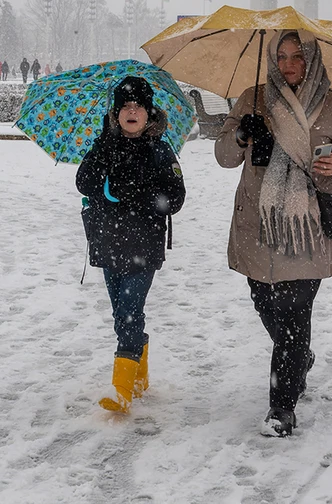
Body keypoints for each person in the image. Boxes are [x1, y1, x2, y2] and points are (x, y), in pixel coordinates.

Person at [215, 30, 332, 437]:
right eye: (280, 56)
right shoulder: (253, 98)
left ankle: (282, 407)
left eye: (297, 56)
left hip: (308, 227)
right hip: (258, 225)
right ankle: (298, 357)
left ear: (313, 59)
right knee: (266, 304)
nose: (288, 65)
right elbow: (224, 157)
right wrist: (240, 135)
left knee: (294, 316)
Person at [75, 76, 186, 414]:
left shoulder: (160, 150)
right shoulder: (103, 145)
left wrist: (142, 194)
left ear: (148, 111)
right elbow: (83, 182)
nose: (132, 110)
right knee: (120, 313)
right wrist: (105, 154)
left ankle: (121, 389)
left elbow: (176, 198)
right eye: (125, 105)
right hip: (108, 243)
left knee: (128, 312)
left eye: (138, 105)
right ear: (116, 112)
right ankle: (139, 376)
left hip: (144, 246)